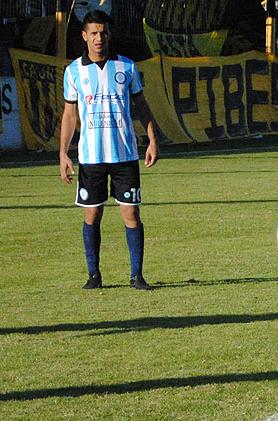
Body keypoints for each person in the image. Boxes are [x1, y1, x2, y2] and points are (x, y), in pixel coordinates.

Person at [60, 10, 158, 290]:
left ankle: (137, 276)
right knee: (92, 214)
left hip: (124, 155)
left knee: (131, 214)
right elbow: (69, 115)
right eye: (93, 33)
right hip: (91, 158)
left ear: (109, 35)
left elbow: (141, 105)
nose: (99, 38)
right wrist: (63, 153)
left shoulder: (126, 67)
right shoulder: (73, 72)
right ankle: (94, 276)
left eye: (103, 33)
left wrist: (152, 140)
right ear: (84, 36)